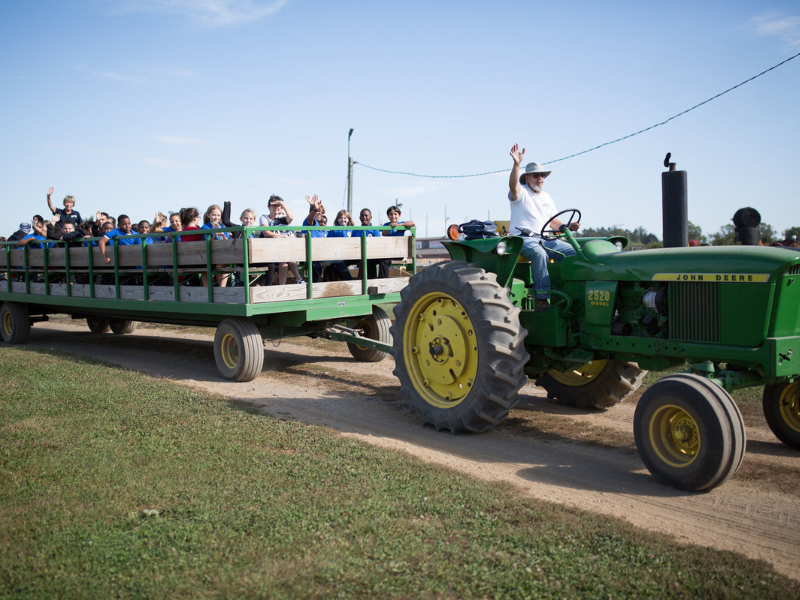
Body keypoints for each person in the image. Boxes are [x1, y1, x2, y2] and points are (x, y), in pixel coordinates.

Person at [508, 143, 580, 311]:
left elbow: (553, 221)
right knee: (540, 254)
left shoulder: (546, 197)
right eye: (536, 175)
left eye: (542, 175)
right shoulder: (521, 193)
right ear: (527, 178)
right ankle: (542, 299)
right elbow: (512, 186)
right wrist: (516, 164)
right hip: (524, 238)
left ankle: (573, 293)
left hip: (545, 238)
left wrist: (567, 226)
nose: (540, 178)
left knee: (574, 253)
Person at [256, 196, 303, 285]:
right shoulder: (264, 217)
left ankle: (296, 281)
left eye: (278, 206)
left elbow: (291, 218)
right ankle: (286, 285)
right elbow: (266, 233)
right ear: (268, 207)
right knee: (283, 263)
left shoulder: (281, 219)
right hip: (267, 250)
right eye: (273, 205)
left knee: (289, 261)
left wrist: (282, 203)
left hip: (281, 250)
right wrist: (283, 237)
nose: (276, 208)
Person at [353, 208, 389, 279]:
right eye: (362, 216)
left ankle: (379, 281)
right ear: (360, 217)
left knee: (378, 261)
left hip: (372, 254)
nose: (364, 217)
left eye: (366, 215)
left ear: (370, 217)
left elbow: (378, 243)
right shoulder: (355, 230)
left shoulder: (375, 230)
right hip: (358, 254)